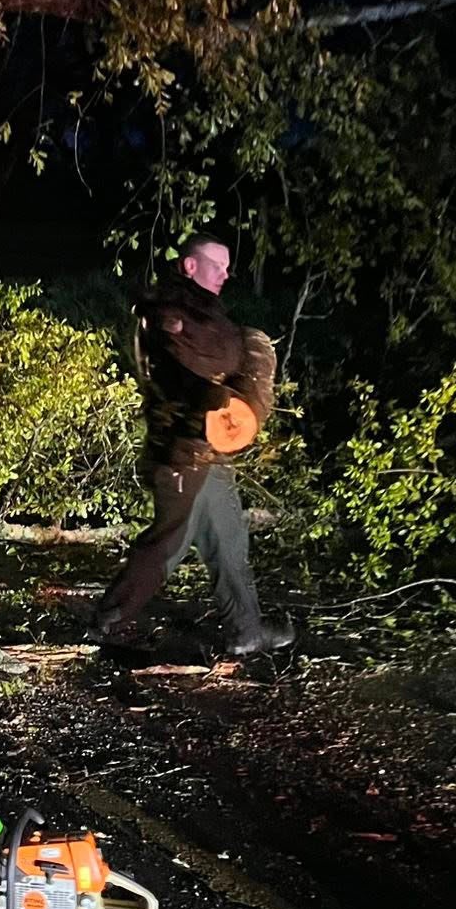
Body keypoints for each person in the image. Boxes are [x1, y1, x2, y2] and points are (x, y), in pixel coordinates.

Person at [87, 235, 294, 655]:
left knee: (227, 538)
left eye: (228, 266)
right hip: (181, 453)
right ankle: (108, 622)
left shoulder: (200, 315)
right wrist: (231, 377)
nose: (225, 274)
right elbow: (194, 368)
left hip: (205, 450)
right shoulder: (168, 316)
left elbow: (221, 362)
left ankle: (246, 630)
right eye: (217, 265)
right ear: (190, 266)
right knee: (167, 545)